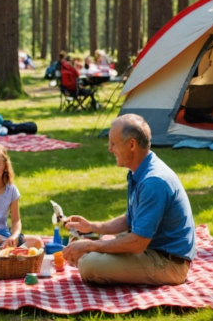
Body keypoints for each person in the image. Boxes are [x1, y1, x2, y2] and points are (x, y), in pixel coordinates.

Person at [62, 114, 196, 286]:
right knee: (87, 249)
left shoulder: (153, 181)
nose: (110, 149)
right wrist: (92, 227)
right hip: (150, 250)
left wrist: (90, 246)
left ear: (131, 144)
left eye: (113, 143)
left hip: (168, 263)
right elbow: (130, 219)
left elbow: (138, 243)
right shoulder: (140, 171)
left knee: (89, 264)